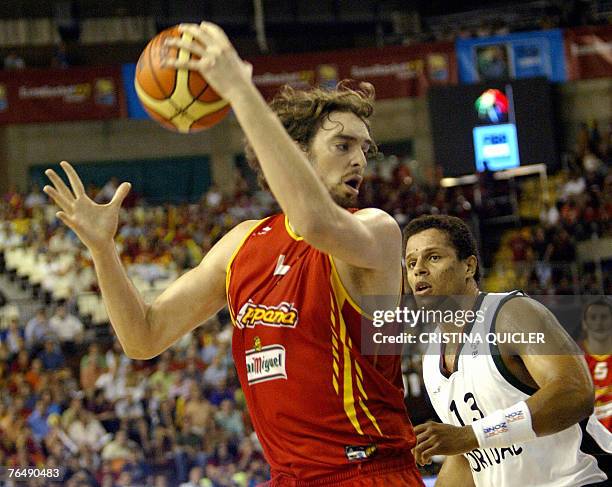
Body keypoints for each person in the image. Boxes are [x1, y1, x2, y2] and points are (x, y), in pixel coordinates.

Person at [43, 21, 422, 486]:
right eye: (342, 145)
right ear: (296, 151)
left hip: (366, 472)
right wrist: (103, 250)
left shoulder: (377, 231)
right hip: (287, 478)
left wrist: (241, 90)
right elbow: (143, 337)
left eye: (364, 148)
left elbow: (313, 221)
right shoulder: (242, 242)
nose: (360, 160)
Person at [402, 215, 609, 486]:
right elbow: (467, 457)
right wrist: (465, 439)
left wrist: (470, 436)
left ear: (469, 266)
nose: (419, 270)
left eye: (433, 258)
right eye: (411, 263)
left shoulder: (510, 314)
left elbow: (575, 391)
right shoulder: (431, 358)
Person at [581, 298, 612, 432]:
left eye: (604, 317)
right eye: (593, 317)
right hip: (588, 441)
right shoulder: (573, 357)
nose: (599, 322)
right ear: (585, 323)